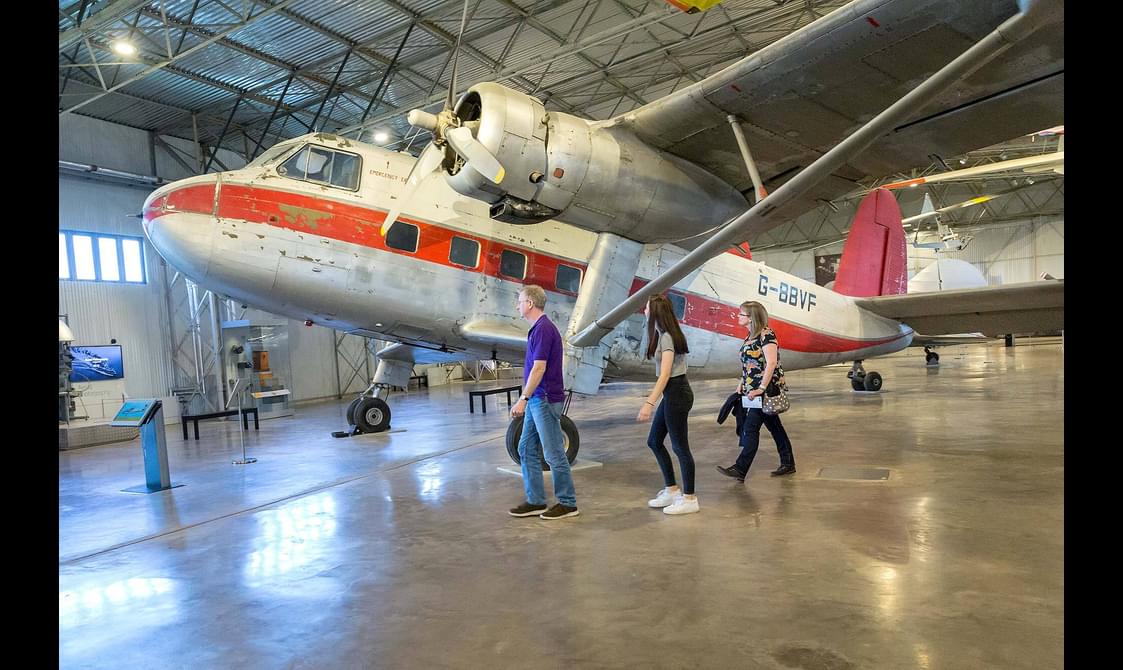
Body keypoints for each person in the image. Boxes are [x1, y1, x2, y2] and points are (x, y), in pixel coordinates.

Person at [508, 285, 579, 520]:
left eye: (520, 301)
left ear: (529, 303)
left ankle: (568, 503)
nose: (517, 305)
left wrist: (523, 399)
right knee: (525, 448)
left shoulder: (543, 330)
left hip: (543, 399)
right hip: (537, 399)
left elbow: (539, 368)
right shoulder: (538, 329)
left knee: (554, 454)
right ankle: (536, 501)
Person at [717, 301, 796, 483]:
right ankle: (788, 462)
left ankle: (741, 468)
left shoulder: (767, 335)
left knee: (750, 428)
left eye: (741, 314)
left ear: (751, 317)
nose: (738, 316)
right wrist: (742, 384)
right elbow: (749, 365)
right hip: (751, 392)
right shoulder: (750, 337)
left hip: (764, 392)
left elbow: (771, 363)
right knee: (775, 427)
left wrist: (760, 388)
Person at [636, 294, 699, 515]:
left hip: (677, 393)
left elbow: (664, 376)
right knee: (654, 441)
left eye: (646, 308)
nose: (644, 311)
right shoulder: (662, 335)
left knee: (680, 448)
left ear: (655, 313)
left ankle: (690, 498)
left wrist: (649, 403)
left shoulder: (667, 338)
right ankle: (672, 489)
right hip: (673, 393)